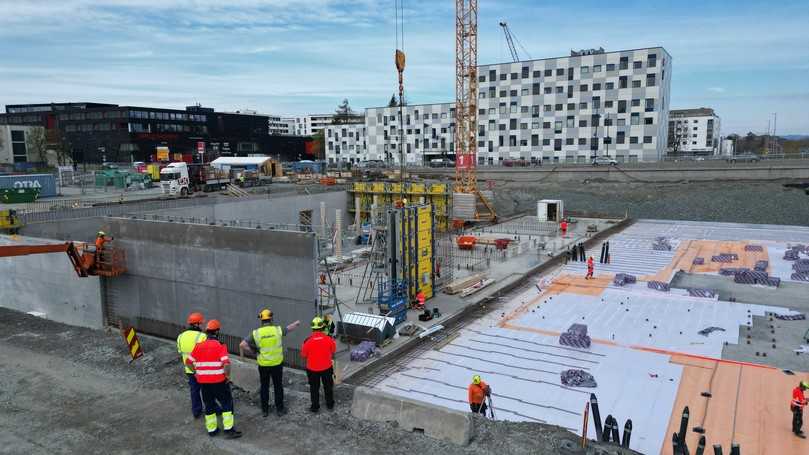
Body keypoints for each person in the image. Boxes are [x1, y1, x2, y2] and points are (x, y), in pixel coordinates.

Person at [186, 320, 242, 439]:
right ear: (216, 332)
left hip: (204, 383)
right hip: (219, 381)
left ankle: (212, 430)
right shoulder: (220, 345)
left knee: (209, 405)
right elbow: (226, 364)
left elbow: (188, 362)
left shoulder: (198, 346)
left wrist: (196, 373)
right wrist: (227, 377)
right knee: (226, 404)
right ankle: (228, 430)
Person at [239, 309, 300, 417]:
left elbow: (242, 345)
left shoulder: (256, 333)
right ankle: (280, 409)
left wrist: (254, 351)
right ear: (271, 319)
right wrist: (296, 323)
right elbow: (288, 328)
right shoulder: (277, 330)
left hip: (263, 365)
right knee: (278, 386)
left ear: (261, 320)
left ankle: (265, 410)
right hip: (277, 364)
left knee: (264, 386)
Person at [301, 316, 337, 413]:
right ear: (323, 327)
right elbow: (333, 351)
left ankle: (315, 407)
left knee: (314, 388)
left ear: (312, 328)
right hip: (327, 368)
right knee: (328, 387)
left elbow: (303, 355)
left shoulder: (307, 341)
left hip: (312, 370)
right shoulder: (329, 339)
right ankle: (330, 405)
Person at [176, 312, 208, 419]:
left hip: (189, 370)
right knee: (207, 390)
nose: (202, 326)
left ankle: (196, 411)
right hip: (201, 370)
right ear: (196, 324)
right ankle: (211, 409)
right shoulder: (202, 336)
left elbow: (180, 352)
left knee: (194, 390)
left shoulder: (180, 337)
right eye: (201, 323)